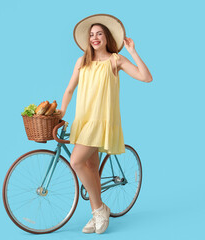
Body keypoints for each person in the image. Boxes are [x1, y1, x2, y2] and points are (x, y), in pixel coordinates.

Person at [57, 14, 152, 234]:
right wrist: (62, 111)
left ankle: (100, 209)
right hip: (83, 121)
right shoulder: (82, 62)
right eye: (91, 34)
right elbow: (70, 89)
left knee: (76, 161)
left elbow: (146, 77)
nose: (95, 37)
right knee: (90, 167)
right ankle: (97, 211)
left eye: (99, 33)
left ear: (107, 37)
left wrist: (132, 51)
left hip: (101, 122)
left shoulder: (115, 60)